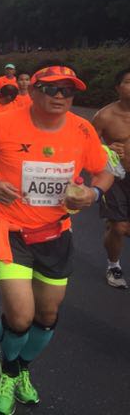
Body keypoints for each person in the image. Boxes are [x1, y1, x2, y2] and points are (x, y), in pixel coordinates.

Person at [0, 63, 113, 415]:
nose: (60, 96)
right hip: (9, 230)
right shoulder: (3, 122)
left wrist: (93, 194)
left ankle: (22, 367)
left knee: (47, 315)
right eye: (52, 89)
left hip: (55, 234)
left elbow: (103, 170)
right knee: (20, 317)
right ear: (33, 91)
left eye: (68, 91)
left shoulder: (82, 129)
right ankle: (7, 372)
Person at [92, 67, 130, 289]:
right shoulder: (104, 116)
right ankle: (113, 265)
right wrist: (106, 149)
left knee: (124, 227)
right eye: (128, 82)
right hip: (114, 175)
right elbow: (88, 146)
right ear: (118, 87)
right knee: (118, 227)